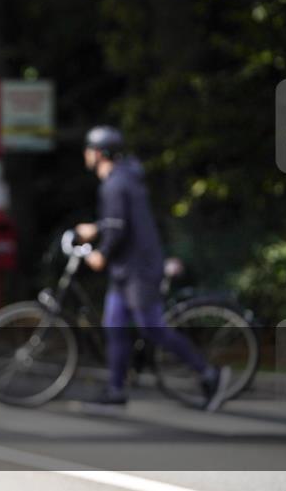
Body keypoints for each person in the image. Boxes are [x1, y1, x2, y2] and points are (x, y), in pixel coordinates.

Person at [75, 126, 231, 411]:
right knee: (115, 327)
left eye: (88, 149)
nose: (85, 154)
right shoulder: (123, 179)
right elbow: (118, 222)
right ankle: (116, 389)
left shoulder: (115, 184)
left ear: (99, 153)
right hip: (127, 270)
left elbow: (118, 227)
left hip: (138, 270)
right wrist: (98, 229)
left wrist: (102, 253)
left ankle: (209, 373)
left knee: (152, 328)